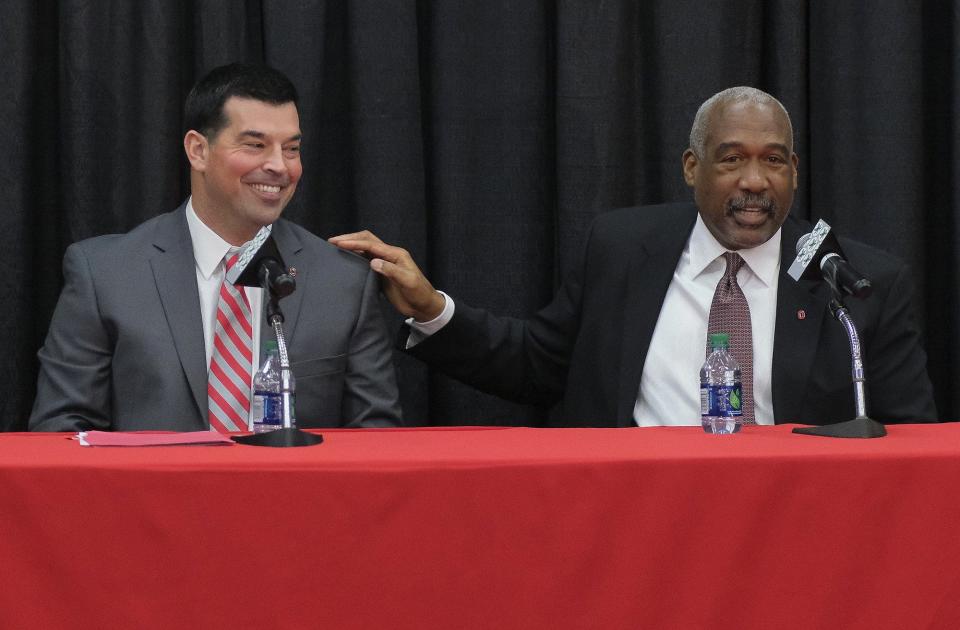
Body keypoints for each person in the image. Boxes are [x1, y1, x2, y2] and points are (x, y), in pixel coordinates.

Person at [330, 86, 937, 427]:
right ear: (692, 168)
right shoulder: (623, 249)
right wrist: (433, 309)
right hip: (634, 520)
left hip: (792, 529)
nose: (755, 180)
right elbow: (538, 367)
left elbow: (913, 441)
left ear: (795, 173)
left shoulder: (856, 282)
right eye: (732, 159)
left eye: (773, 160)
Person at [30, 63, 401, 432]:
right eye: (256, 145)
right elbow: (61, 433)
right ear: (198, 150)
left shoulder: (343, 280)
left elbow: (376, 442)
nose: (279, 166)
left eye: (291, 148)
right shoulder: (105, 274)